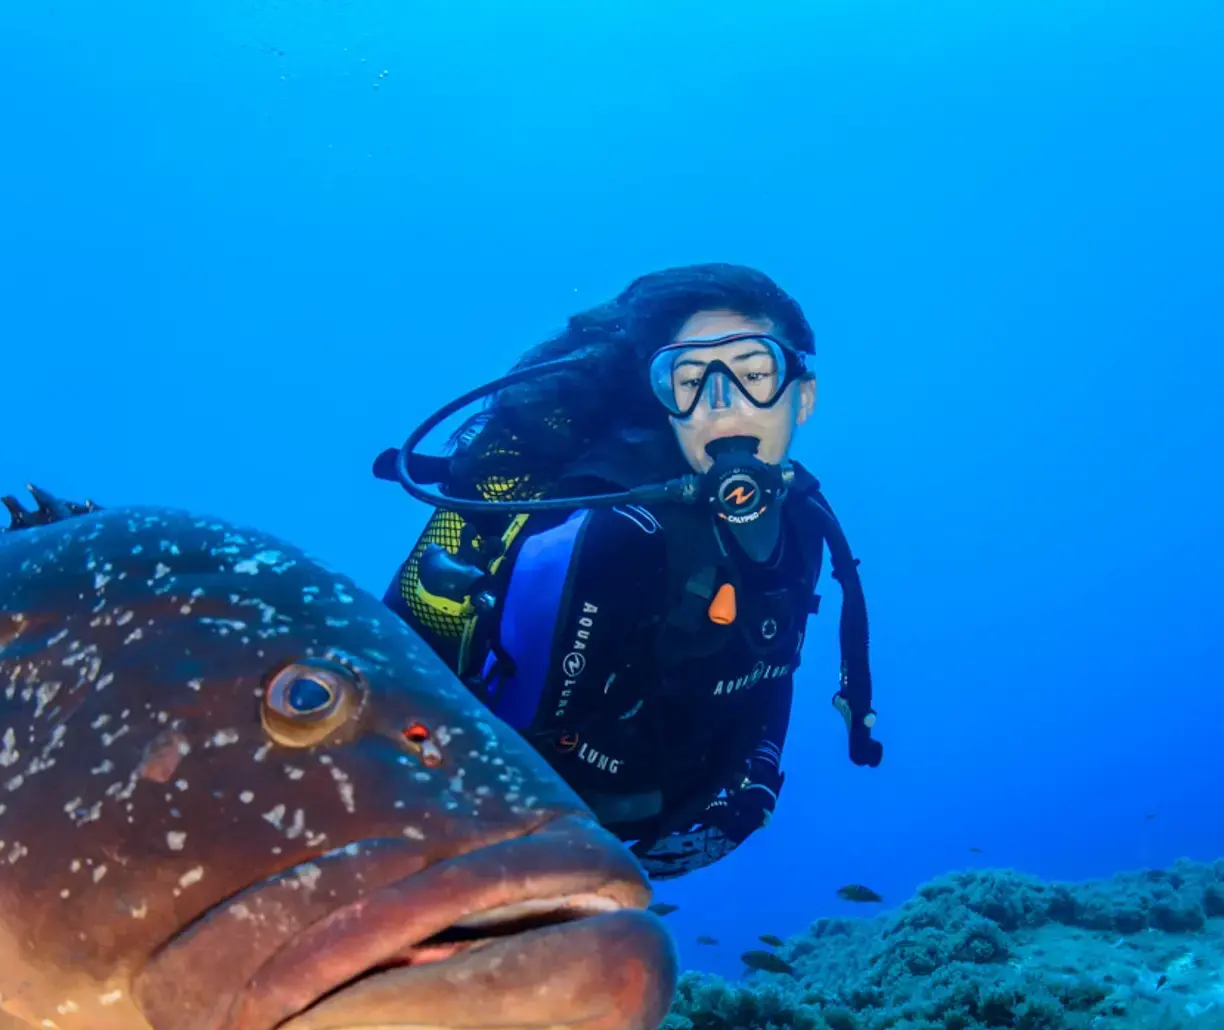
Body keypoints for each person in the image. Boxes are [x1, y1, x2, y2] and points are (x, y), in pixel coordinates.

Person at [377, 263, 882, 880]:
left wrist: (753, 793)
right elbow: (527, 741)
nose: (722, 406)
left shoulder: (803, 516)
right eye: (690, 380)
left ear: (803, 395)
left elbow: (772, 661)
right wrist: (624, 835)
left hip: (660, 821)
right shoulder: (609, 534)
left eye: (754, 374)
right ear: (664, 402)